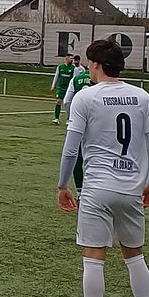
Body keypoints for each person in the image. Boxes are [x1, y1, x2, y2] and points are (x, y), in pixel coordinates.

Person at [57, 39, 149, 297]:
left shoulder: (86, 97)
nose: (89, 69)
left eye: (91, 64)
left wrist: (62, 185)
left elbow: (71, 149)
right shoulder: (141, 96)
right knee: (135, 256)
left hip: (97, 189)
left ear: (97, 64)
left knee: (93, 259)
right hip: (131, 190)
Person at [63, 66, 94, 200]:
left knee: (77, 157)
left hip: (79, 124)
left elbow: (67, 101)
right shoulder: (102, 81)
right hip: (98, 125)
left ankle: (80, 193)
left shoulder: (76, 79)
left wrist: (71, 118)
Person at [50, 53, 75, 125]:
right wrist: (53, 85)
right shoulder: (60, 67)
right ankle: (56, 118)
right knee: (58, 101)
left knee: (68, 104)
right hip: (61, 87)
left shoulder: (73, 68)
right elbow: (56, 76)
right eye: (71, 58)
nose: (72, 60)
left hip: (69, 88)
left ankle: (68, 119)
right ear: (66, 58)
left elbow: (74, 78)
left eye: (73, 59)